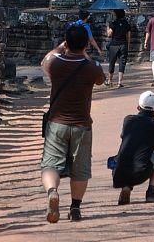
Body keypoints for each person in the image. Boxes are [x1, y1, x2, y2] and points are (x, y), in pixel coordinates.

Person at [40, 22, 105, 224]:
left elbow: (45, 60)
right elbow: (101, 80)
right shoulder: (92, 68)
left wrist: (62, 46)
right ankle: (75, 208)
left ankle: (52, 192)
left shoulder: (55, 63)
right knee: (80, 169)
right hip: (82, 125)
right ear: (86, 44)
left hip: (57, 123)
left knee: (51, 163)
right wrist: (85, 52)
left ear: (66, 42)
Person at [112, 89, 154, 206]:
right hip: (140, 173)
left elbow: (123, 136)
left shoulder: (128, 120)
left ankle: (126, 187)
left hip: (118, 173)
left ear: (138, 107)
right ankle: (151, 192)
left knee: (128, 153)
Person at [106, 8, 132, 89]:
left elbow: (109, 34)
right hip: (123, 44)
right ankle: (119, 82)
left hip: (114, 45)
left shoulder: (113, 23)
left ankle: (110, 81)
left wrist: (108, 26)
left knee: (112, 62)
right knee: (122, 63)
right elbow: (128, 36)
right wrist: (128, 45)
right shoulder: (126, 24)